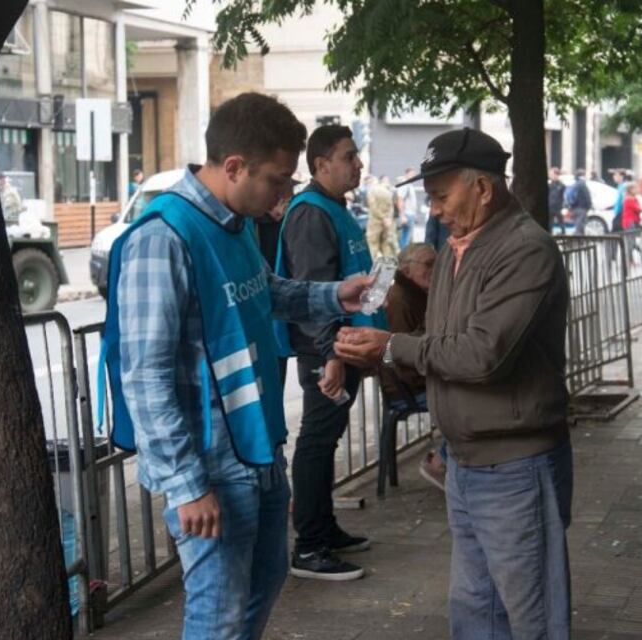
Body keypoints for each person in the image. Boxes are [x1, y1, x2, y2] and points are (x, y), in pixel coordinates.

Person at [105, 92, 374, 640]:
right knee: (218, 614)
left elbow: (263, 293)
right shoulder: (163, 238)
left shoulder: (237, 222)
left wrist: (333, 296)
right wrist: (186, 485)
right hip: (210, 463)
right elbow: (146, 376)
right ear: (233, 167)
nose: (284, 195)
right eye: (278, 180)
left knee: (265, 578)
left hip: (256, 446)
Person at [334, 128, 572, 638]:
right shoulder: (457, 249)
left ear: (483, 188)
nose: (435, 210)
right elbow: (437, 340)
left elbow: (481, 355)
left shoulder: (525, 250)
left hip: (514, 465)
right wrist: (369, 352)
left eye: (442, 196)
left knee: (530, 615)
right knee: (475, 609)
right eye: (429, 198)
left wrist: (392, 347)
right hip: (466, 461)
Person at [274, 124, 389, 582]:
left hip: (345, 348)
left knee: (328, 438)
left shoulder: (334, 207)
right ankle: (310, 546)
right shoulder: (310, 214)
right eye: (348, 156)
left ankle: (324, 528)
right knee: (318, 442)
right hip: (327, 351)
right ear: (321, 165)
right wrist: (331, 355)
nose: (358, 163)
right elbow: (311, 292)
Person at [377, 243, 443, 489]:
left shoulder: (423, 294)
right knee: (467, 399)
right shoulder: (400, 300)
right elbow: (397, 356)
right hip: (407, 386)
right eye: (428, 264)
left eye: (437, 263)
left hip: (425, 376)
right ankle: (440, 462)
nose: (435, 270)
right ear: (406, 271)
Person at [366, 176, 399, 258]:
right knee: (386, 246)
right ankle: (387, 268)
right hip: (387, 222)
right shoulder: (389, 191)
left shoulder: (372, 191)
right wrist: (388, 218)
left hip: (375, 222)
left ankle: (371, 267)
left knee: (372, 245)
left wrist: (382, 217)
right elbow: (391, 206)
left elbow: (372, 206)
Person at [395, 168, 419, 249]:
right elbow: (400, 199)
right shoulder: (405, 185)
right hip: (407, 215)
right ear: (407, 174)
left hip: (410, 215)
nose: (414, 176)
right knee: (405, 238)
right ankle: (403, 258)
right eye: (412, 174)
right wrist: (402, 216)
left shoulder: (409, 185)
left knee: (408, 238)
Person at [565, 168, 592, 234]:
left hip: (574, 208)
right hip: (581, 208)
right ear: (582, 175)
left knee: (579, 226)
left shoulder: (575, 184)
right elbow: (587, 197)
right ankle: (578, 241)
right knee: (580, 227)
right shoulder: (582, 184)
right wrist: (589, 206)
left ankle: (579, 240)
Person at [548, 166, 567, 234]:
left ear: (556, 175)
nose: (550, 176)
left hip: (558, 207)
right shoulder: (549, 184)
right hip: (550, 207)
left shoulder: (561, 185)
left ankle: (563, 235)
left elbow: (563, 197)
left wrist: (563, 206)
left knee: (561, 223)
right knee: (550, 224)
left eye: (551, 174)